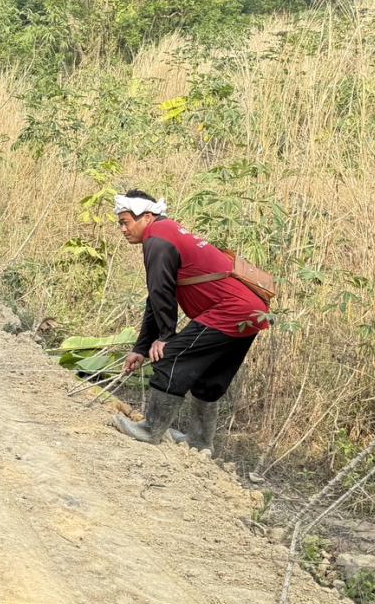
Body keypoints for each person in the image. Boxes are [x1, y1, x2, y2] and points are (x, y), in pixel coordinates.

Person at [113, 189, 270, 452]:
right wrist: (140, 348)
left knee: (170, 357)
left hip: (230, 310)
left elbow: (161, 293)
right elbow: (156, 298)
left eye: (125, 222)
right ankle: (199, 442)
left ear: (147, 217)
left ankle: (151, 430)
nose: (123, 229)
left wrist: (164, 338)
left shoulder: (157, 239)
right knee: (210, 374)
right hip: (253, 311)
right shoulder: (169, 231)